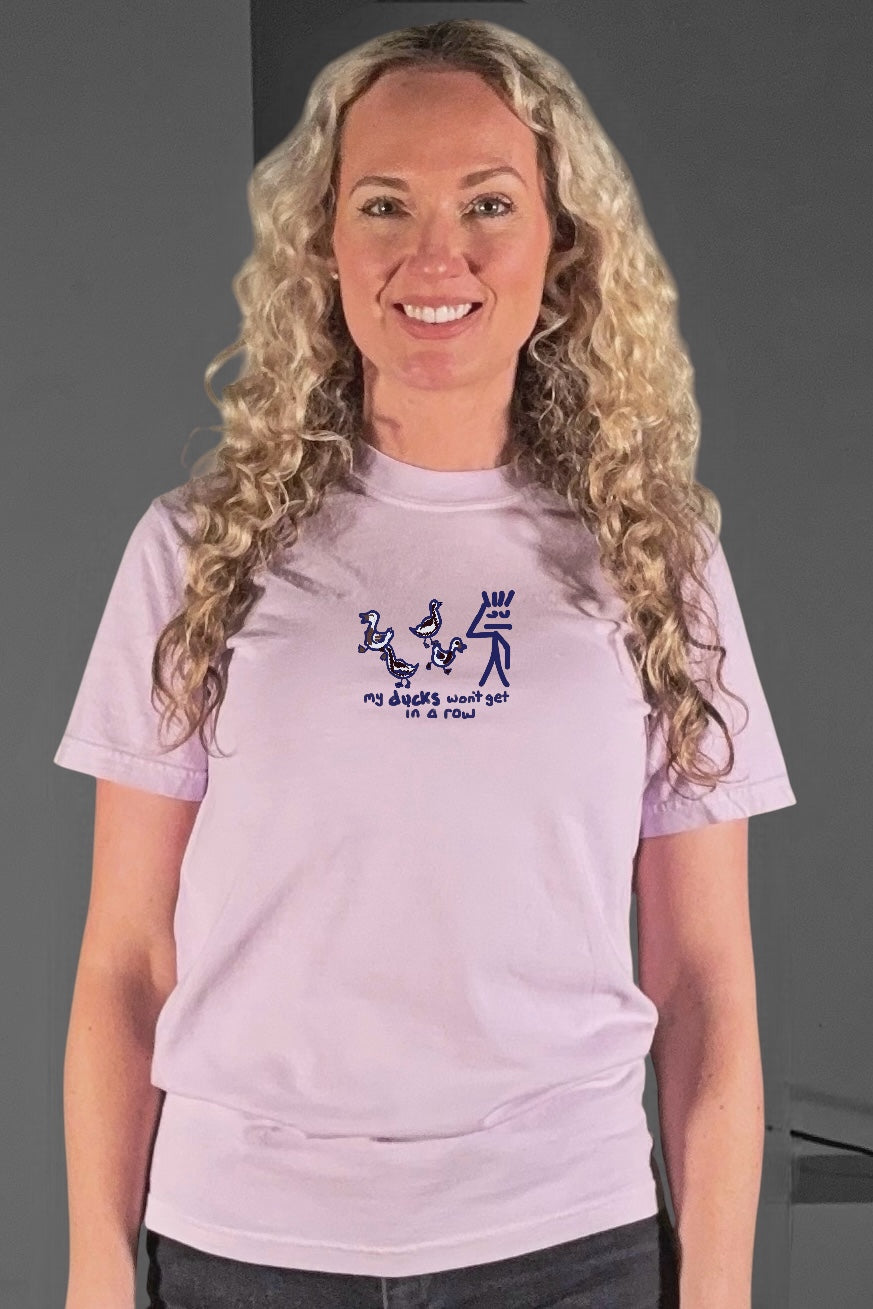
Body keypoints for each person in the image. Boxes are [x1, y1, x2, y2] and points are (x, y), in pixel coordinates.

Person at [56, 18, 797, 1309]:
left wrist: (720, 1289)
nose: (434, 254)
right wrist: (93, 1274)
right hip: (245, 1248)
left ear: (561, 246)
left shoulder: (654, 555)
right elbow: (128, 959)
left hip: (565, 1239)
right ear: (324, 245)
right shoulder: (197, 549)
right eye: (384, 204)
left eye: (489, 204)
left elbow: (702, 979)